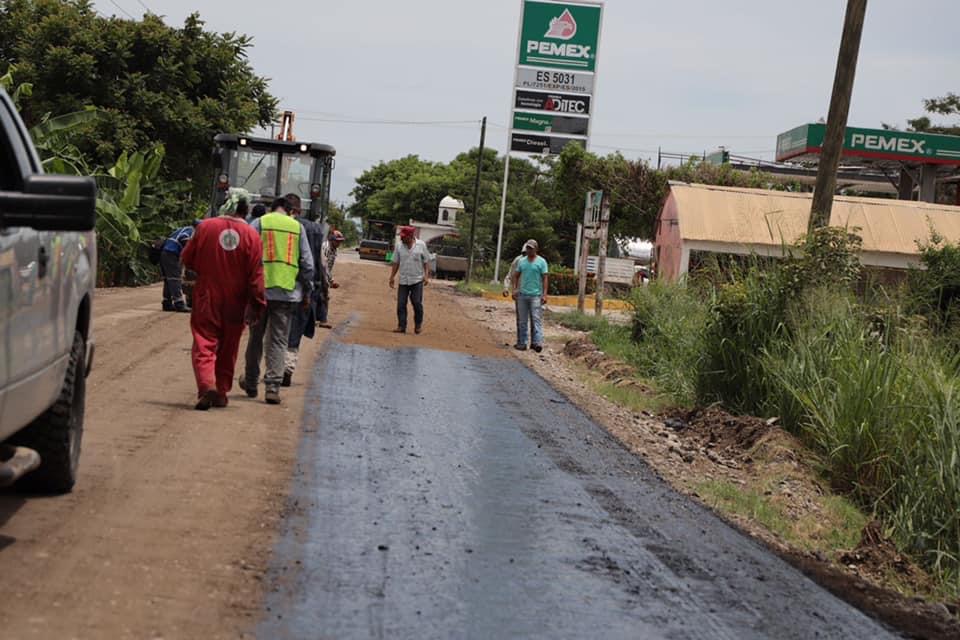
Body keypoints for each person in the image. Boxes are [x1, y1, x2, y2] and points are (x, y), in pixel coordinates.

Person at [181, 193, 265, 410]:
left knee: (204, 341)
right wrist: (257, 304)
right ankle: (221, 391)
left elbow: (187, 258)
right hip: (236, 301)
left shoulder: (205, 227)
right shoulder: (252, 236)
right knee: (229, 346)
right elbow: (256, 276)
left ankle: (206, 384)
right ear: (246, 211)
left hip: (206, 295)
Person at [241, 196, 315, 405]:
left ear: (272, 209)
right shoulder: (297, 228)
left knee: (256, 337)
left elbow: (246, 254)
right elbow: (308, 265)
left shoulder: (259, 223)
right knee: (279, 341)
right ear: (290, 210)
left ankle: (252, 383)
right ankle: (273, 387)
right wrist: (307, 292)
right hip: (287, 293)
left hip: (260, 292)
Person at [283, 195, 326, 387]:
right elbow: (315, 264)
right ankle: (288, 368)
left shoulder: (276, 225)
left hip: (278, 284)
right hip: (304, 287)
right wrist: (316, 291)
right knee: (296, 330)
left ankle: (273, 369)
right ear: (301, 209)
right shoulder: (315, 230)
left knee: (275, 330)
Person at [389, 226, 431, 334]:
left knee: (417, 303)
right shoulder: (399, 246)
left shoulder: (421, 245)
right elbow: (396, 262)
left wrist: (426, 276)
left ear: (411, 236)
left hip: (417, 280)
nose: (401, 239)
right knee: (401, 304)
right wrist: (392, 277)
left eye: (404, 237)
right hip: (403, 280)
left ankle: (418, 325)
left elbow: (426, 261)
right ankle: (401, 326)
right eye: (401, 237)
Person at [512, 239, 549, 353]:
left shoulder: (541, 262)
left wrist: (545, 294)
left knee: (536, 319)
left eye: (531, 248)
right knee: (522, 321)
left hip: (536, 296)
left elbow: (545, 278)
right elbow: (516, 275)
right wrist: (515, 289)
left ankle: (536, 342)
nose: (529, 250)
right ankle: (522, 343)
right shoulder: (521, 261)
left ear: (536, 249)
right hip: (522, 295)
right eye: (527, 248)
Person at [160, 223, 195, 312]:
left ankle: (167, 303)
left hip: (165, 252)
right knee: (175, 279)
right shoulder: (190, 231)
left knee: (168, 279)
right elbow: (184, 239)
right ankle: (179, 304)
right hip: (171, 253)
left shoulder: (182, 228)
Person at [316, 229, 346, 329]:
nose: (339, 243)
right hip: (320, 274)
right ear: (332, 240)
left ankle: (320, 319)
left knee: (322, 297)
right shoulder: (326, 248)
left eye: (340, 241)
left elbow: (329, 266)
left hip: (324, 275)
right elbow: (324, 265)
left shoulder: (333, 249)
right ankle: (322, 320)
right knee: (324, 297)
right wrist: (331, 280)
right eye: (337, 241)